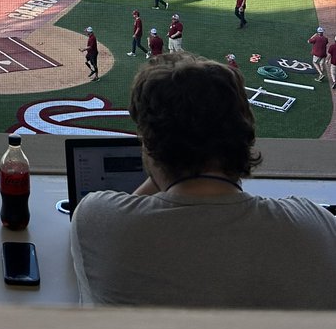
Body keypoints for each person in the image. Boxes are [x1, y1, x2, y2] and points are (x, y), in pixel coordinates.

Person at [70, 53, 336, 308]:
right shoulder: (316, 225)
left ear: (149, 145)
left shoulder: (95, 218)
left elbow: (131, 206)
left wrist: (163, 161)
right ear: (244, 132)